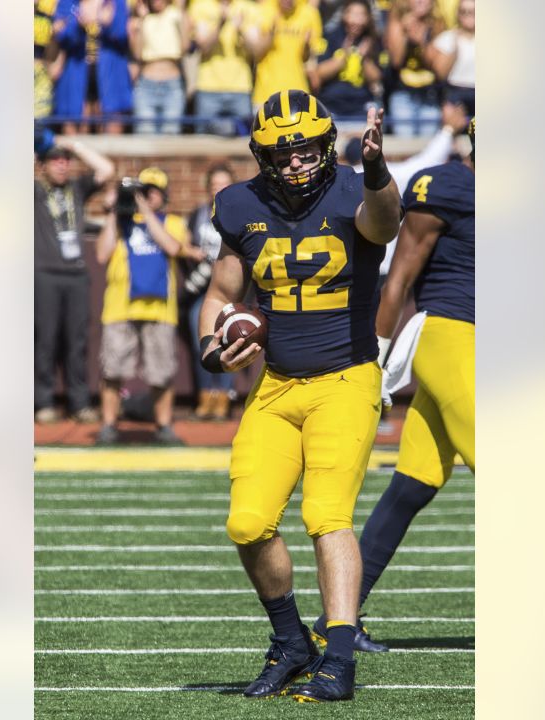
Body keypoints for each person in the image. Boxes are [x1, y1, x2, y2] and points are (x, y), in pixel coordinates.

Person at [199, 89, 401, 702]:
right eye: (282, 153)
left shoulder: (354, 190)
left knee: (326, 515)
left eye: (306, 149)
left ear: (327, 145)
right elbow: (219, 293)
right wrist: (214, 343)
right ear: (261, 155)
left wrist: (374, 169)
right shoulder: (239, 205)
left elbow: (383, 223)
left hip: (345, 379)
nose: (294, 163)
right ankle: (291, 643)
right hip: (277, 385)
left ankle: (339, 658)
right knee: (247, 522)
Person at [336, 138, 475, 651]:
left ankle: (340, 624)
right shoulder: (450, 186)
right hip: (453, 334)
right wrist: (372, 355)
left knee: (413, 485)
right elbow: (398, 278)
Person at [95, 167, 202, 445]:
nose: (145, 196)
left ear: (163, 196)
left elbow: (172, 248)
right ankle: (109, 425)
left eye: (151, 192)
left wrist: (146, 211)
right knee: (113, 370)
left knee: (161, 371)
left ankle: (163, 426)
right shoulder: (120, 221)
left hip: (159, 308)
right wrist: (112, 211)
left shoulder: (172, 222)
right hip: (120, 307)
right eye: (142, 191)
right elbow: (101, 254)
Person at [35, 137, 115, 425]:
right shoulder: (34, 191)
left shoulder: (76, 189)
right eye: (54, 159)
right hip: (44, 273)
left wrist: (74, 146)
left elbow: (106, 169)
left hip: (76, 275)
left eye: (64, 160)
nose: (61, 164)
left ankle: (79, 403)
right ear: (41, 166)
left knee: (77, 342)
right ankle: (43, 402)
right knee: (45, 341)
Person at [181, 164, 237, 419]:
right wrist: (192, 252)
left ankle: (223, 396)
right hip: (202, 290)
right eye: (214, 185)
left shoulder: (240, 214)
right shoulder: (198, 214)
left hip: (231, 291)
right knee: (201, 342)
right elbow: (184, 243)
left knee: (231, 342)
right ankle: (205, 396)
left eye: (223, 184)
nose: (218, 189)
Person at [52, 0, 133, 134]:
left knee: (112, 137)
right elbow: (62, 38)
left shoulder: (117, 3)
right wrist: (78, 24)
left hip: (111, 78)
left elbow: (123, 37)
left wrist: (106, 23)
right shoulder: (68, 3)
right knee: (74, 133)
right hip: (75, 77)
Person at [189, 0, 261, 135]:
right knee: (202, 144)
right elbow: (203, 48)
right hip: (208, 87)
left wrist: (241, 30)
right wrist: (221, 24)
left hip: (241, 88)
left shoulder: (249, 8)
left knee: (246, 144)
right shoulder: (200, 6)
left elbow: (255, 51)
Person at [244, 0, 323, 114]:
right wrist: (271, 34)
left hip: (298, 93)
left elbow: (309, 59)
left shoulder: (309, 13)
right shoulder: (264, 10)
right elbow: (256, 54)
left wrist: (306, 46)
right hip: (265, 93)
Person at [313, 0, 383, 126]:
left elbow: (377, 77)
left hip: (360, 106)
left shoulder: (373, 41)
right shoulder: (330, 36)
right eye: (353, 14)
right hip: (332, 105)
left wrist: (364, 58)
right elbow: (319, 72)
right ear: (344, 15)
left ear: (368, 18)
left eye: (362, 15)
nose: (357, 20)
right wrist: (343, 57)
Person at [383, 0, 446, 136]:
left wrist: (421, 42)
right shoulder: (398, 22)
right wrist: (405, 33)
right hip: (402, 94)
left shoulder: (438, 25)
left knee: (428, 148)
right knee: (404, 148)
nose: (420, 1)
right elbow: (396, 61)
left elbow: (436, 65)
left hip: (430, 96)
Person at [130, 0, 190, 134]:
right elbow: (138, 54)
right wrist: (140, 21)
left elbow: (185, 47)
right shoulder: (143, 19)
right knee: (145, 134)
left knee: (170, 136)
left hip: (172, 86)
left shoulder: (176, 14)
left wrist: (181, 13)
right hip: (146, 86)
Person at [428, 0, 474, 116]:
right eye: (464, 12)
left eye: (473, 12)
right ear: (458, 14)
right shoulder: (447, 38)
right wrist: (453, 51)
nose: (469, 15)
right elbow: (440, 73)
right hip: (455, 94)